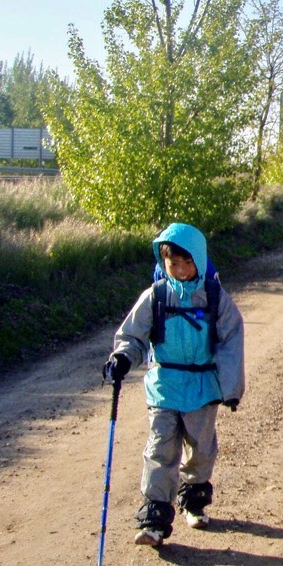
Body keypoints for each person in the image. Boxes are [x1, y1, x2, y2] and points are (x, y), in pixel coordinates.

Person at [102, 223, 245, 548]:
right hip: (164, 385)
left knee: (200, 449)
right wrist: (123, 357)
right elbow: (133, 336)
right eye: (172, 264)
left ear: (199, 259)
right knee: (160, 450)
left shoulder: (214, 297)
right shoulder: (156, 296)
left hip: (203, 388)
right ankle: (154, 519)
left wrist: (231, 388)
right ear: (162, 262)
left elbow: (232, 339)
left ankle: (194, 502)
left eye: (186, 262)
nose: (179, 270)